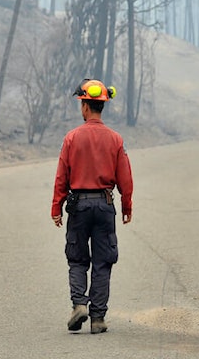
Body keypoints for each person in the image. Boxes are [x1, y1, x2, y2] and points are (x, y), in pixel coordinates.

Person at [51, 79, 133, 334]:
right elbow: (125, 177)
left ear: (85, 107)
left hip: (79, 207)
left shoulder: (72, 137)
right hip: (105, 205)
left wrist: (56, 206)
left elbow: (61, 176)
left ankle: (79, 305)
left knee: (77, 259)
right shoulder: (116, 139)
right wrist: (127, 204)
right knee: (103, 261)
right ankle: (98, 318)